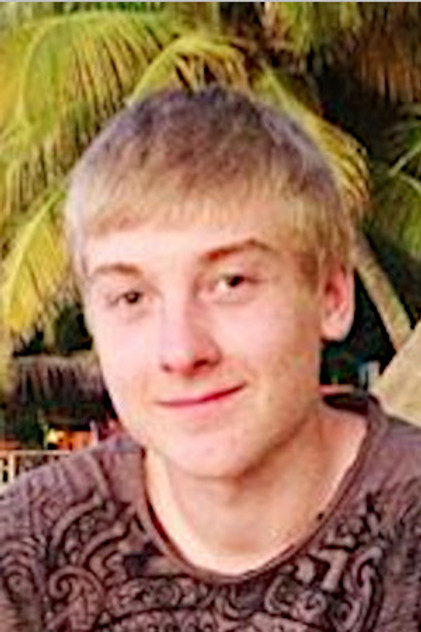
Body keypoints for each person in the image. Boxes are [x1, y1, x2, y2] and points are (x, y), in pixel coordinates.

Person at [0, 87, 420, 632]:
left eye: (231, 283)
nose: (181, 351)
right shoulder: (27, 553)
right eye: (131, 297)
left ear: (331, 295)